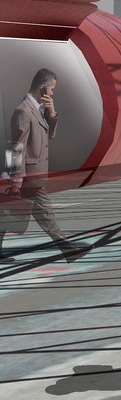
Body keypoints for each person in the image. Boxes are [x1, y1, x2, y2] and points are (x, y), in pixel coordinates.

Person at [3, 68, 83, 261]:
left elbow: (50, 135)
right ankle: (68, 249)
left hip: (30, 175)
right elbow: (15, 146)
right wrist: (15, 179)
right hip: (28, 177)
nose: (53, 93)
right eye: (52, 89)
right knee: (46, 215)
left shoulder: (37, 110)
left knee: (5, 216)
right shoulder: (23, 111)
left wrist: (52, 112)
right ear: (42, 88)